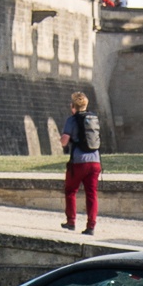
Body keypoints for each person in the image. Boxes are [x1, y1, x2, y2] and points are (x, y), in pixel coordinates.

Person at [61, 90, 102, 235]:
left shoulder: (72, 120)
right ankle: (91, 226)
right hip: (95, 161)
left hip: (79, 162)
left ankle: (71, 222)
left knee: (71, 191)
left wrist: (64, 141)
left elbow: (64, 141)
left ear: (73, 106)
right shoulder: (93, 118)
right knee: (92, 194)